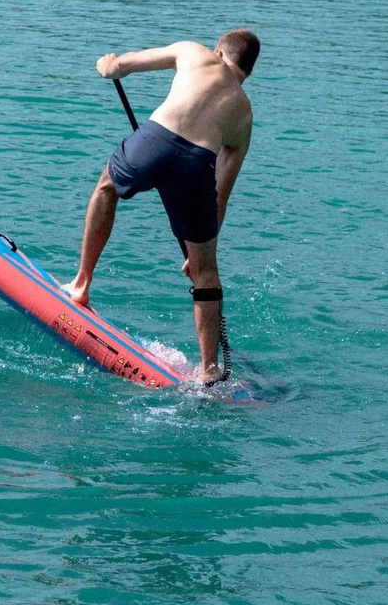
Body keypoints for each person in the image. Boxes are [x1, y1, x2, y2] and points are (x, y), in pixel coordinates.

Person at [64, 28, 260, 385]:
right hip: (198, 165)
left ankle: (81, 283)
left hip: (156, 139)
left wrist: (108, 67)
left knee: (106, 187)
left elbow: (123, 65)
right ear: (247, 72)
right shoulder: (244, 115)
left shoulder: (195, 52)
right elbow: (221, 195)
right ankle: (209, 371)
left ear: (219, 51)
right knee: (205, 272)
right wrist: (196, 253)